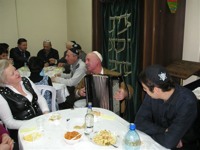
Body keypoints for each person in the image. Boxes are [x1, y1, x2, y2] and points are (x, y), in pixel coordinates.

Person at [134, 64, 199, 149]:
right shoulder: (152, 95)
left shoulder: (187, 102)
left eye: (145, 88)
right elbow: (139, 122)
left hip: (185, 145)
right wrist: (163, 131)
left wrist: (152, 133)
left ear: (156, 90)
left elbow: (168, 143)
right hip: (164, 139)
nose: (144, 90)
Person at [0, 59, 49, 148]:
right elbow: (9, 122)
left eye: (15, 69)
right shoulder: (1, 95)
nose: (17, 73)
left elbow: (39, 98)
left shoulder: (26, 80)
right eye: (12, 74)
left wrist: (46, 112)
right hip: (23, 131)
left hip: (41, 123)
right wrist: (32, 124)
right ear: (5, 81)